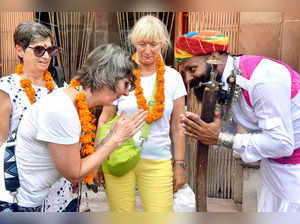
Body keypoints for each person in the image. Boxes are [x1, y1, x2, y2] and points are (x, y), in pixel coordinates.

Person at [175, 30, 300, 212]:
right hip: (273, 170)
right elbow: (229, 130)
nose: (188, 79)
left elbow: (282, 143)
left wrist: (220, 138)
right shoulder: (227, 81)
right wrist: (212, 131)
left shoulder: (263, 79)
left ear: (213, 57)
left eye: (191, 69)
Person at [14, 43, 147, 212]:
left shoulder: (75, 101)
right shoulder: (62, 109)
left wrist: (111, 136)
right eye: (126, 84)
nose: (128, 93)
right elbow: (75, 172)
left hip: (49, 200)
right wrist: (115, 139)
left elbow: (78, 162)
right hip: (21, 204)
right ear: (108, 77)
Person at [95, 15, 187, 212]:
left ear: (162, 44)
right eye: (142, 44)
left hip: (157, 160)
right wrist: (98, 158)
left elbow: (178, 127)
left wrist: (180, 164)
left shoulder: (173, 78)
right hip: (118, 156)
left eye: (153, 44)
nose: (147, 50)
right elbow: (105, 118)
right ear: (134, 43)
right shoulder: (120, 74)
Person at [0, 21, 70, 212]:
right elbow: (1, 143)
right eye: (39, 50)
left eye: (50, 50)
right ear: (20, 51)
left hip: (60, 189)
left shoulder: (60, 89)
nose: (46, 56)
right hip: (24, 192)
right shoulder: (7, 89)